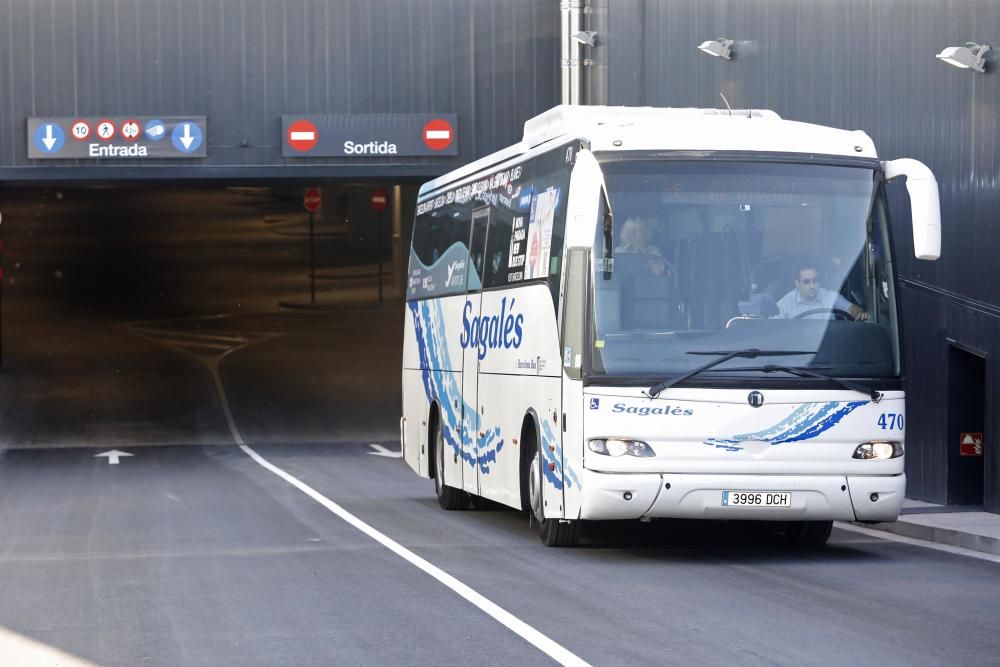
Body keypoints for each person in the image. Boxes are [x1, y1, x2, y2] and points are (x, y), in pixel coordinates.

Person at [773, 264, 867, 320]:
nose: (812, 285)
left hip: (829, 344)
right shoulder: (787, 302)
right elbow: (772, 324)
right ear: (797, 283)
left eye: (815, 280)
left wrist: (858, 314)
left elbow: (854, 309)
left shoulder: (830, 296)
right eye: (806, 282)